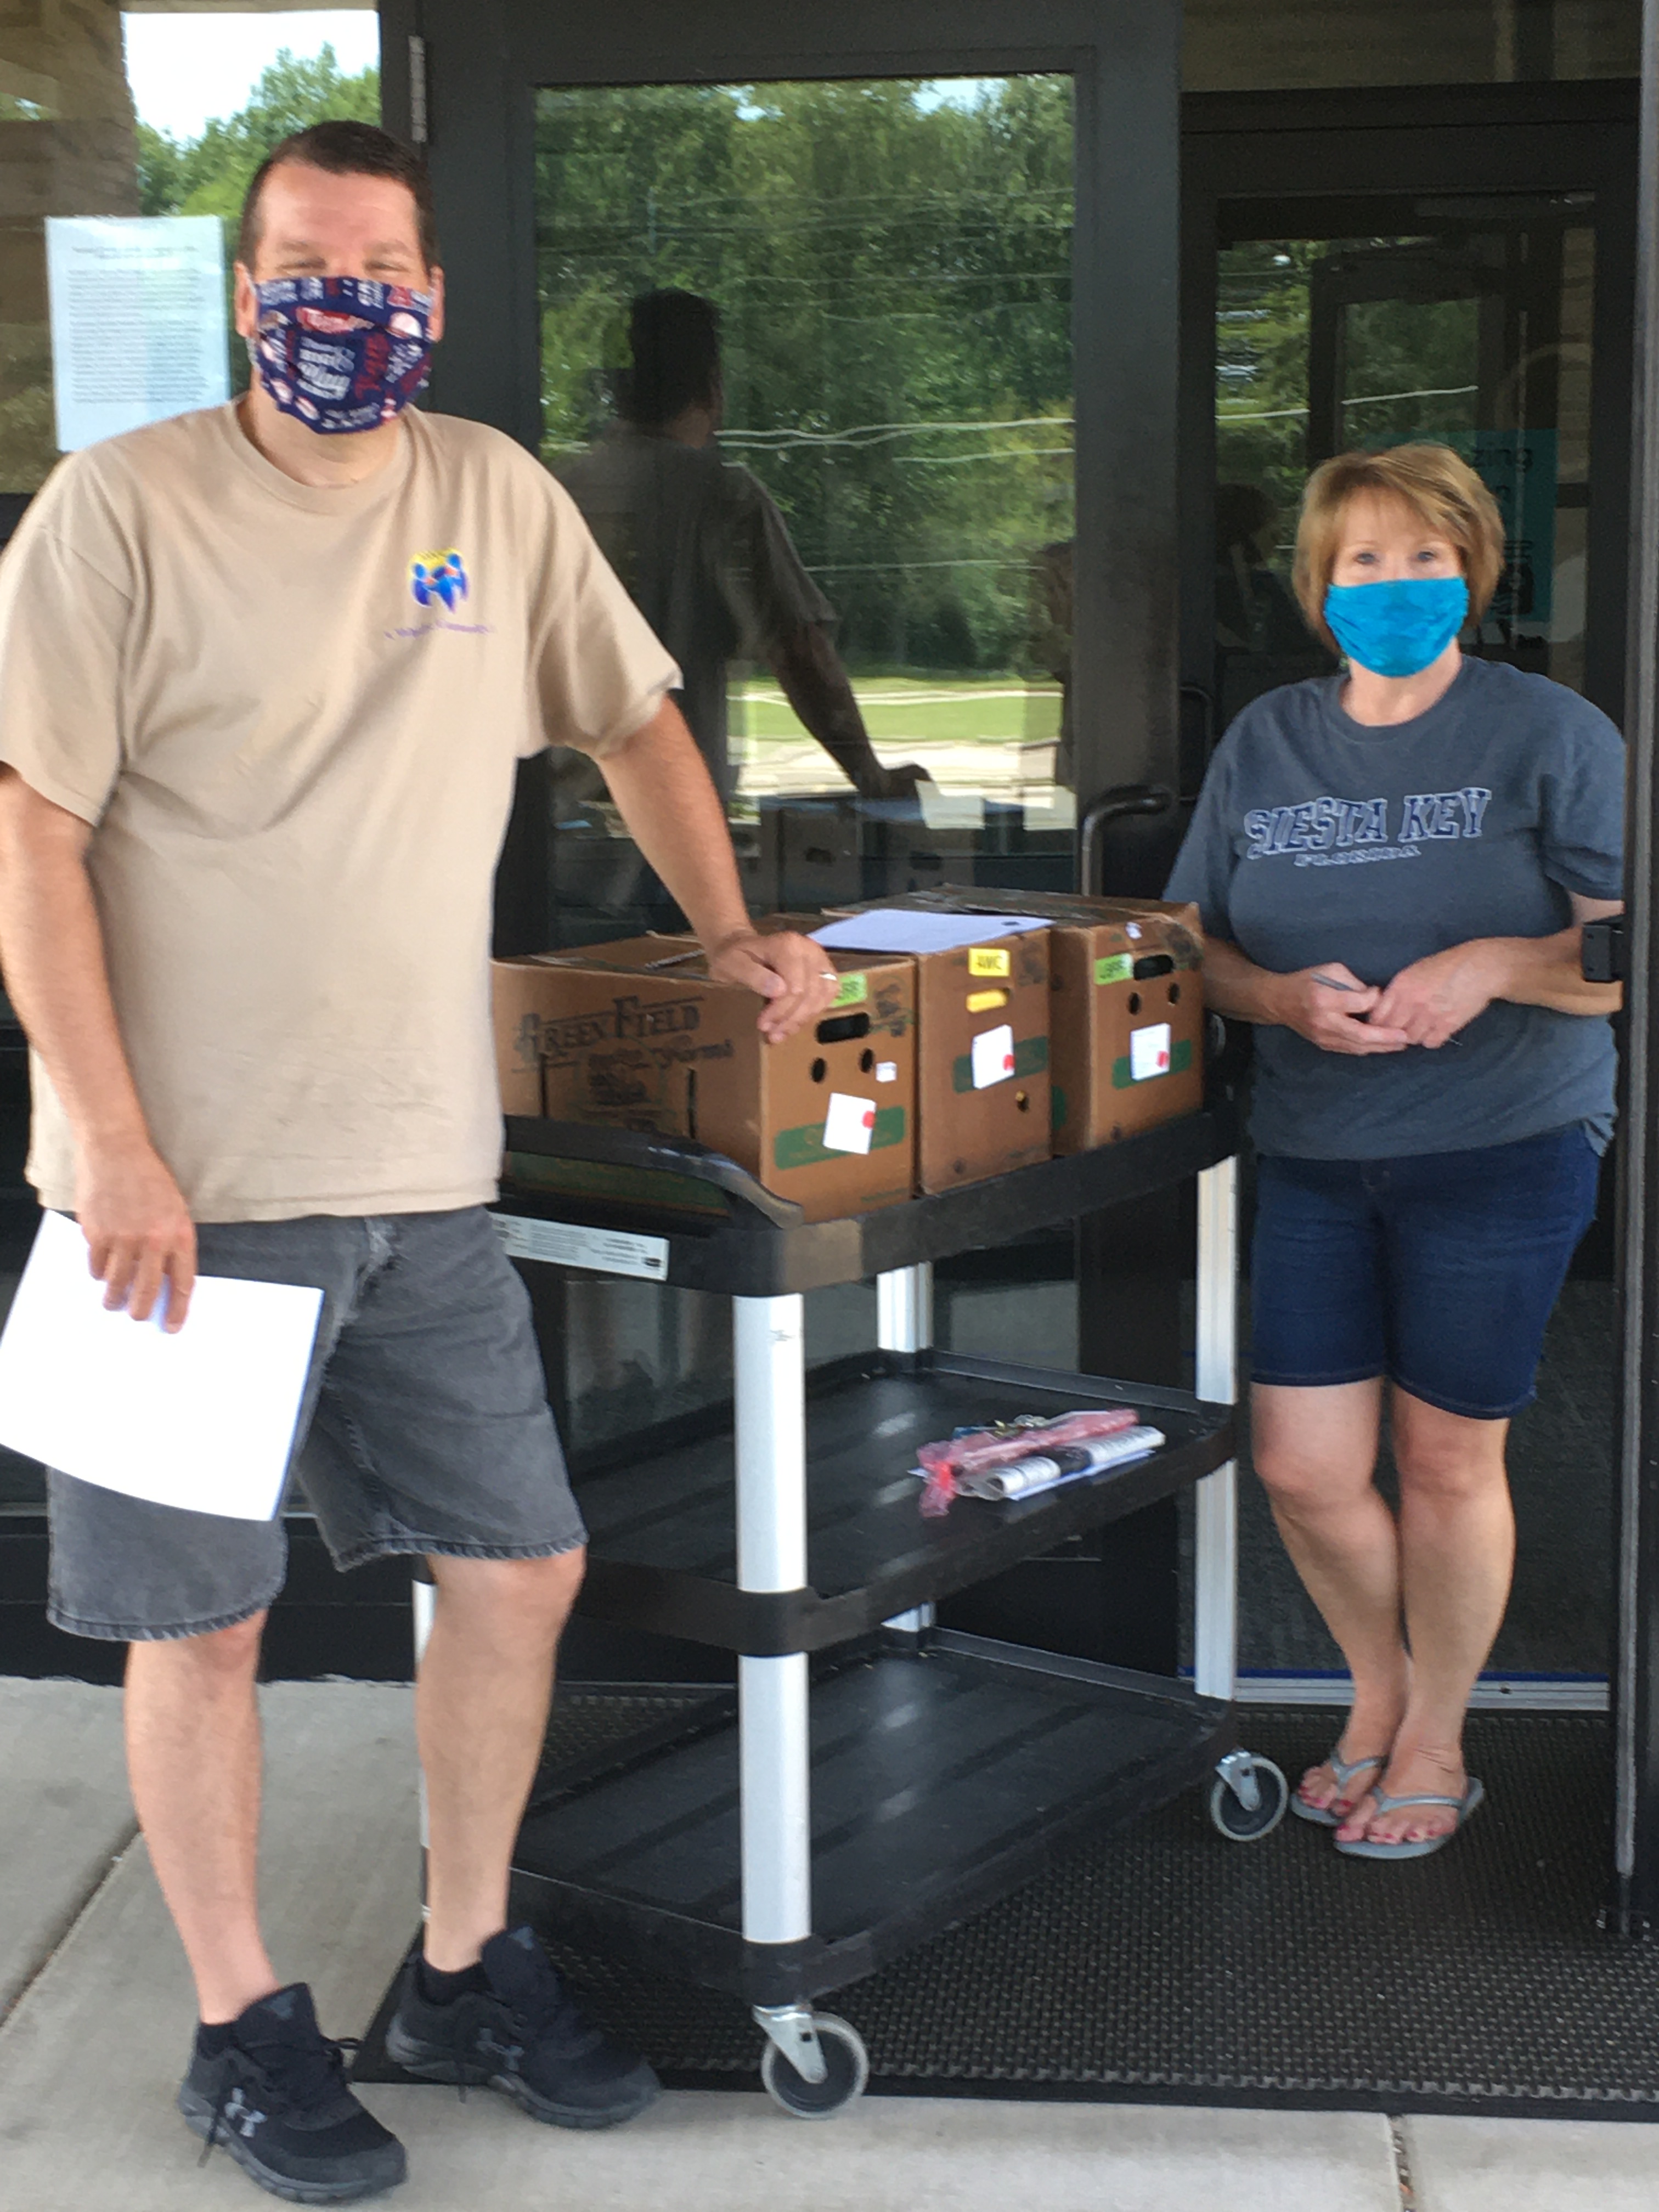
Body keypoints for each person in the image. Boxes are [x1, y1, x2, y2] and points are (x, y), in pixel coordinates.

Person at [0, 121, 839, 2204]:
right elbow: (32, 836)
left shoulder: (490, 494)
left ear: (435, 297)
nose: (342, 303)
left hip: (424, 1178)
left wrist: (726, 928)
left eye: (379, 270)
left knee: (519, 1565)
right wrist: (113, 1141)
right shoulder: (118, 510)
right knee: (204, 1624)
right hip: (174, 1200)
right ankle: (241, 2023)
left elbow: (633, 716)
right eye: (304, 266)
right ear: (244, 291)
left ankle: (463, 1965)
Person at [1165, 442, 1623, 1860]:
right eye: (1364, 558)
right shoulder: (1267, 742)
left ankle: (1436, 1736)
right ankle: (1379, 1689)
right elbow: (1192, 944)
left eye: (1427, 554)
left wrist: (1492, 965)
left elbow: (1623, 955)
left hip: (1504, 1140)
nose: (1396, 581)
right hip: (1315, 1143)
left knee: (1444, 1459)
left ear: (1473, 570)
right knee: (1303, 1466)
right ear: (1319, 586)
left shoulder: (1550, 731)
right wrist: (1275, 999)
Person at [558, 286, 926, 809]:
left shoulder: (557, 491)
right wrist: (871, 776)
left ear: (618, 389)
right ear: (714, 387)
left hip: (562, 820)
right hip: (674, 813)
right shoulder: (722, 496)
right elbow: (799, 652)